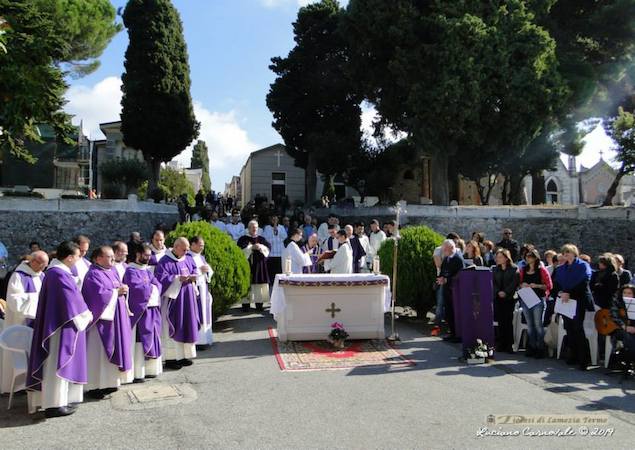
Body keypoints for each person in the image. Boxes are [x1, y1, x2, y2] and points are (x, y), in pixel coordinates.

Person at [26, 241, 93, 418]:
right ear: (70, 257)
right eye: (78, 256)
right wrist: (87, 314)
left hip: (59, 324)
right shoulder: (58, 275)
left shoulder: (57, 272)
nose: (79, 259)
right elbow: (71, 301)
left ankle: (59, 401)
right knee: (56, 363)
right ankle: (53, 405)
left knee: (57, 363)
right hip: (58, 327)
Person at [82, 246, 132, 398]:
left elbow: (115, 288)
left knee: (114, 349)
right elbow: (97, 297)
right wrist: (116, 292)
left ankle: (110, 382)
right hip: (101, 322)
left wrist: (122, 289)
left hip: (115, 318)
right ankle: (95, 386)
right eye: (109, 257)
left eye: (112, 256)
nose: (112, 259)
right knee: (98, 354)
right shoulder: (93, 275)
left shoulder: (112, 271)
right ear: (98, 258)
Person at [1, 251, 49, 394]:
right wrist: (36, 297)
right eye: (41, 265)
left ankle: (33, 382)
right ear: (33, 261)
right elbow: (14, 301)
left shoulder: (41, 275)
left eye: (45, 266)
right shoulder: (18, 276)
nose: (43, 269)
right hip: (21, 323)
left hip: (37, 322)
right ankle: (16, 387)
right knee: (20, 355)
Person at [154, 237, 200, 370]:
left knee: (187, 324)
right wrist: (177, 279)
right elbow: (160, 279)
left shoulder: (188, 258)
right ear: (176, 247)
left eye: (187, 249)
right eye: (184, 249)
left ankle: (185, 355)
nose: (187, 252)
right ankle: (172, 358)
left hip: (188, 298)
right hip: (173, 300)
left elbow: (195, 270)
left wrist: (193, 276)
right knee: (174, 325)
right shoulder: (165, 261)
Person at [123, 244, 163, 383]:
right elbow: (136, 289)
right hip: (141, 312)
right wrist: (151, 288)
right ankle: (138, 373)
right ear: (138, 255)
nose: (148, 258)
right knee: (140, 341)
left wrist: (152, 288)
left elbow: (157, 284)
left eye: (149, 255)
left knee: (154, 337)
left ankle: (150, 370)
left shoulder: (147, 271)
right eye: (145, 255)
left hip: (151, 310)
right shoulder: (131, 271)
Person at [552, 244, 594, 370]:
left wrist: (569, 293)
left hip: (578, 301)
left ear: (574, 253)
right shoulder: (560, 269)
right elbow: (556, 284)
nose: (566, 254)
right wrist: (560, 293)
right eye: (564, 252)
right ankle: (573, 355)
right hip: (565, 302)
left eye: (569, 252)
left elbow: (584, 282)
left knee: (578, 329)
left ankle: (584, 360)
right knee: (569, 328)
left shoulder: (582, 266)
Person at [518, 249, 552, 358]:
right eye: (527, 256)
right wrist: (522, 285)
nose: (528, 258)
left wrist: (537, 286)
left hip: (538, 299)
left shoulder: (542, 270)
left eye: (531, 256)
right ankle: (532, 347)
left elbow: (549, 286)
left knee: (538, 325)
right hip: (526, 299)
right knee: (530, 325)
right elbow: (518, 283)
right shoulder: (523, 270)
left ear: (535, 258)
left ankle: (540, 348)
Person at [237, 221, 271, 312]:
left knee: (259, 285)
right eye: (252, 227)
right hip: (247, 265)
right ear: (248, 228)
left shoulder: (261, 239)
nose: (254, 229)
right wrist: (251, 248)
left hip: (260, 266)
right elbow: (240, 251)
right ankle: (246, 305)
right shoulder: (243, 239)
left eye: (256, 227)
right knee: (247, 285)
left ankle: (259, 304)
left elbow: (268, 249)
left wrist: (260, 247)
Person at [187, 236, 214, 349]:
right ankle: (197, 342)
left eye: (203, 245)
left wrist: (208, 271)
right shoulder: (187, 257)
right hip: (195, 289)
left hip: (204, 288)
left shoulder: (201, 257)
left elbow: (209, 271)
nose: (202, 247)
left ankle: (206, 339)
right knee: (197, 315)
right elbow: (187, 273)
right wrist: (199, 271)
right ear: (193, 244)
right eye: (200, 245)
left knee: (205, 314)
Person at [437, 240, 465, 342]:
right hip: (446, 289)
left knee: (455, 312)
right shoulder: (446, 259)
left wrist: (447, 279)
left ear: (451, 248)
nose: (443, 251)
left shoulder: (458, 259)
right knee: (448, 312)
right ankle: (452, 332)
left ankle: (458, 334)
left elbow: (460, 274)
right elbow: (443, 271)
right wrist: (440, 278)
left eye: (445, 249)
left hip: (455, 290)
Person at [492, 249, 519, 353]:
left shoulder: (514, 269)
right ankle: (501, 343)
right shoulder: (495, 269)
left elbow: (514, 283)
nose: (497, 259)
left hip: (509, 299)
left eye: (500, 257)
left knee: (508, 321)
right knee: (500, 321)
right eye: (497, 257)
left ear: (506, 258)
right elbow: (493, 282)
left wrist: (506, 292)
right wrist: (498, 292)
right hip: (498, 298)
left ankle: (509, 345)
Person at [609, 284, 635, 366]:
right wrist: (624, 326)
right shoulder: (617, 301)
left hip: (633, 329)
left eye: (629, 293)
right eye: (624, 293)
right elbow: (614, 316)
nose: (626, 295)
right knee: (628, 337)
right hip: (619, 329)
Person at [263, 215, 287, 284]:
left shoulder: (281, 227)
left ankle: (280, 283)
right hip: (271, 253)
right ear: (271, 220)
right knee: (271, 271)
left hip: (280, 253)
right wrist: (272, 230)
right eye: (273, 219)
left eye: (276, 219)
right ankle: (271, 284)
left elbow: (284, 236)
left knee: (279, 270)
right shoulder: (267, 228)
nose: (274, 221)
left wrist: (277, 229)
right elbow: (265, 238)